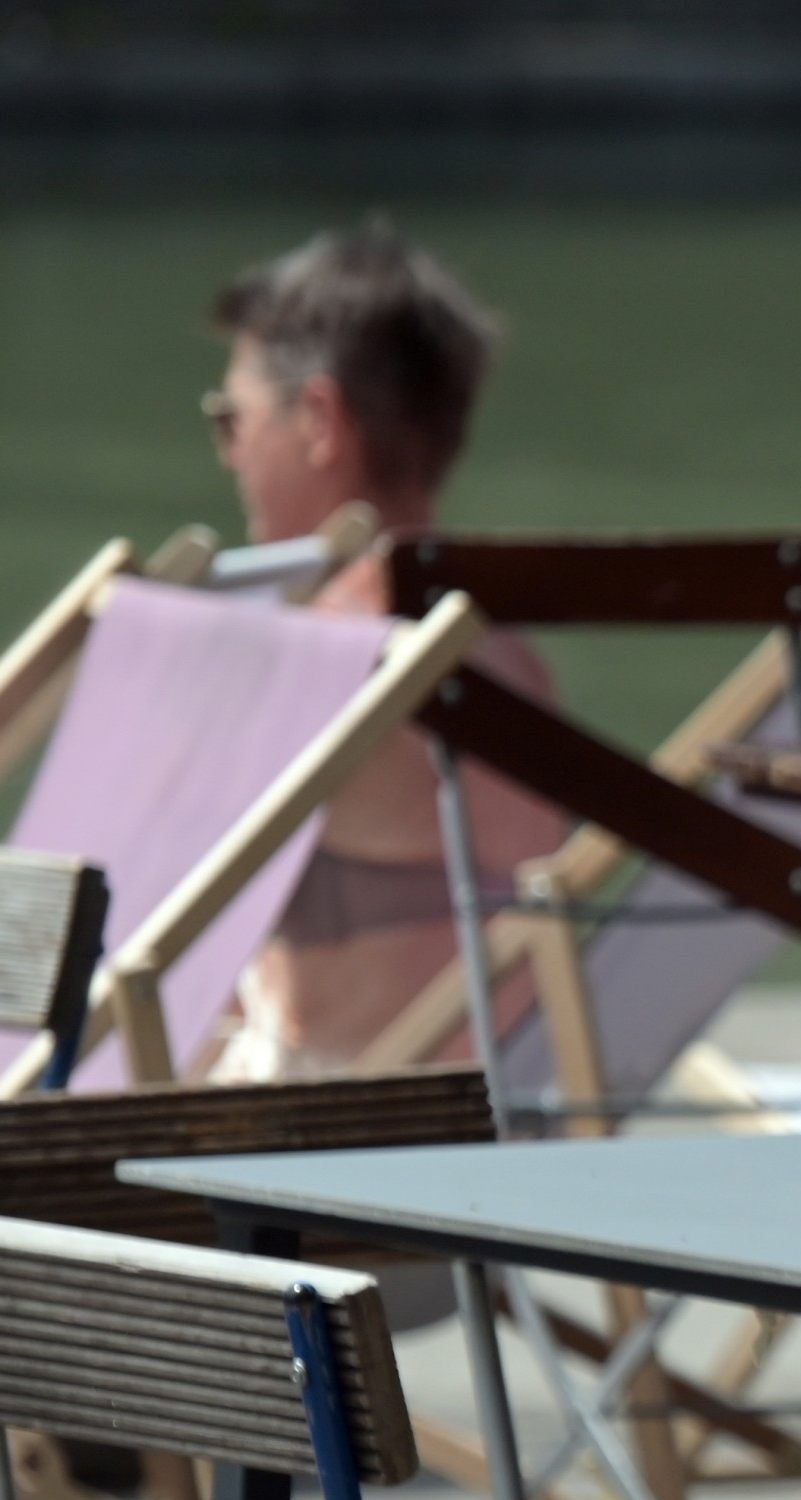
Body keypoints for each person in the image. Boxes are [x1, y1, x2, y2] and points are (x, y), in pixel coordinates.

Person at [199, 222, 561, 1076]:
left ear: (320, 420)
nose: (230, 454)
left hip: (321, 1135)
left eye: (234, 419)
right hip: (509, 1106)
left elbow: (166, 959)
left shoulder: (320, 665)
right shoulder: (509, 660)